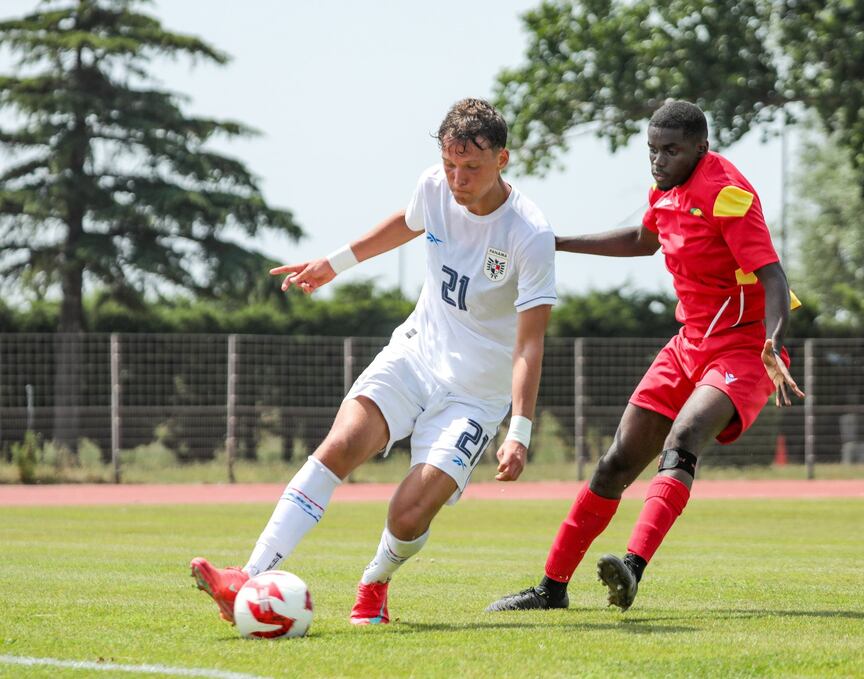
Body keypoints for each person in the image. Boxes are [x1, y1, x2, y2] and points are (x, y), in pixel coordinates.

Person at [191, 98, 557, 625]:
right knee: (339, 445)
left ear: (502, 159)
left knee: (408, 513)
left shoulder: (530, 234)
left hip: (476, 396)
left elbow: (530, 343)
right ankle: (244, 580)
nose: (457, 178)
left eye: (471, 167)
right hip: (415, 354)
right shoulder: (433, 185)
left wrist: (518, 429)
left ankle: (376, 580)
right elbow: (407, 223)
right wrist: (334, 264)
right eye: (451, 163)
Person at [487, 99, 804, 613]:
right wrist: (557, 242)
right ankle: (551, 589)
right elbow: (642, 239)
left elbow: (773, 276)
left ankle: (631, 568)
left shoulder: (728, 193)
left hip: (745, 348)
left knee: (683, 438)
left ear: (701, 147)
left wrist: (772, 341)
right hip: (688, 345)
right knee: (616, 462)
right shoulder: (665, 188)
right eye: (652, 150)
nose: (658, 160)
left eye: (671, 150)